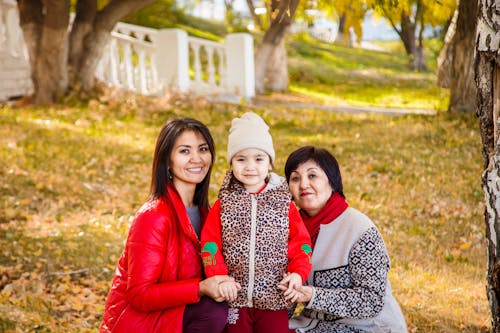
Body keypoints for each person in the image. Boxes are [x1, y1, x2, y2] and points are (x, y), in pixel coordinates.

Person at [100, 118, 236, 333]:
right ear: (167, 161)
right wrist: (200, 288)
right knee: (214, 311)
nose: (196, 159)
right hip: (141, 323)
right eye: (184, 151)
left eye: (203, 149)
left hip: (176, 313)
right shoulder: (154, 216)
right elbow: (139, 294)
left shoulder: (206, 213)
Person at [201, 112, 312, 333]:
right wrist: (219, 277)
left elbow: (301, 243)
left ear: (270, 163)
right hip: (235, 297)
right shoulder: (224, 203)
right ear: (231, 163)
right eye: (241, 159)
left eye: (258, 159)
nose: (250, 166)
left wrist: (298, 273)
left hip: (274, 297)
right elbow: (210, 243)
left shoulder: (283, 203)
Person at [281, 146, 408, 333]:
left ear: (332, 181)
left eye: (312, 175)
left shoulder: (360, 230)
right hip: (313, 324)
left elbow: (371, 300)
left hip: (370, 327)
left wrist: (314, 296)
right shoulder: (288, 230)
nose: (304, 184)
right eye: (295, 178)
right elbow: (286, 300)